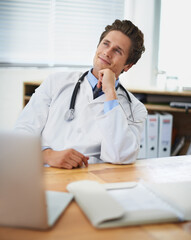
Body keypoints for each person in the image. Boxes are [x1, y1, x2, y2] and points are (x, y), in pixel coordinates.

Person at [14, 19, 147, 169]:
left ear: (128, 65)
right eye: (106, 43)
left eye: (117, 51)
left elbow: (120, 156)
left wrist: (110, 93)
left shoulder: (135, 109)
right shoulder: (56, 82)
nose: (107, 52)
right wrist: (48, 155)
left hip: (92, 180)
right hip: (46, 173)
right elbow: (21, 134)